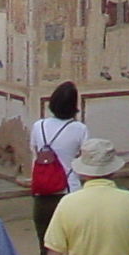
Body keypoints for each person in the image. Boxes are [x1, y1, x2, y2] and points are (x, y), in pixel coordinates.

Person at [29, 81, 89, 243]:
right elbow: (85, 158)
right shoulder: (79, 129)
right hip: (69, 191)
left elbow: (34, 152)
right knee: (73, 246)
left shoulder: (38, 126)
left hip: (42, 193)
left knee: (46, 249)